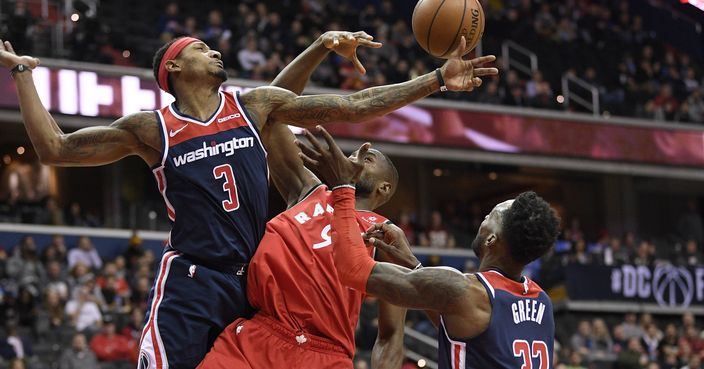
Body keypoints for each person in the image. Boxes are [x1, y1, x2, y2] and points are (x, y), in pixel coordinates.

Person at [0, 30, 496, 368]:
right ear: (174, 65)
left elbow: (354, 104)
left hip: (252, 292)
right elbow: (55, 149)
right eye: (203, 49)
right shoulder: (152, 128)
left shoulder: (253, 105)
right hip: (195, 279)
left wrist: (434, 80)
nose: (216, 53)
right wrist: (23, 74)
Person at [303, 134, 559, 368]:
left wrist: (343, 187)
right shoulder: (540, 302)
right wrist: (414, 264)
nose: (483, 217)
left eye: (490, 215)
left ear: (492, 239)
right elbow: (460, 323)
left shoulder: (463, 289)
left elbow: (352, 269)